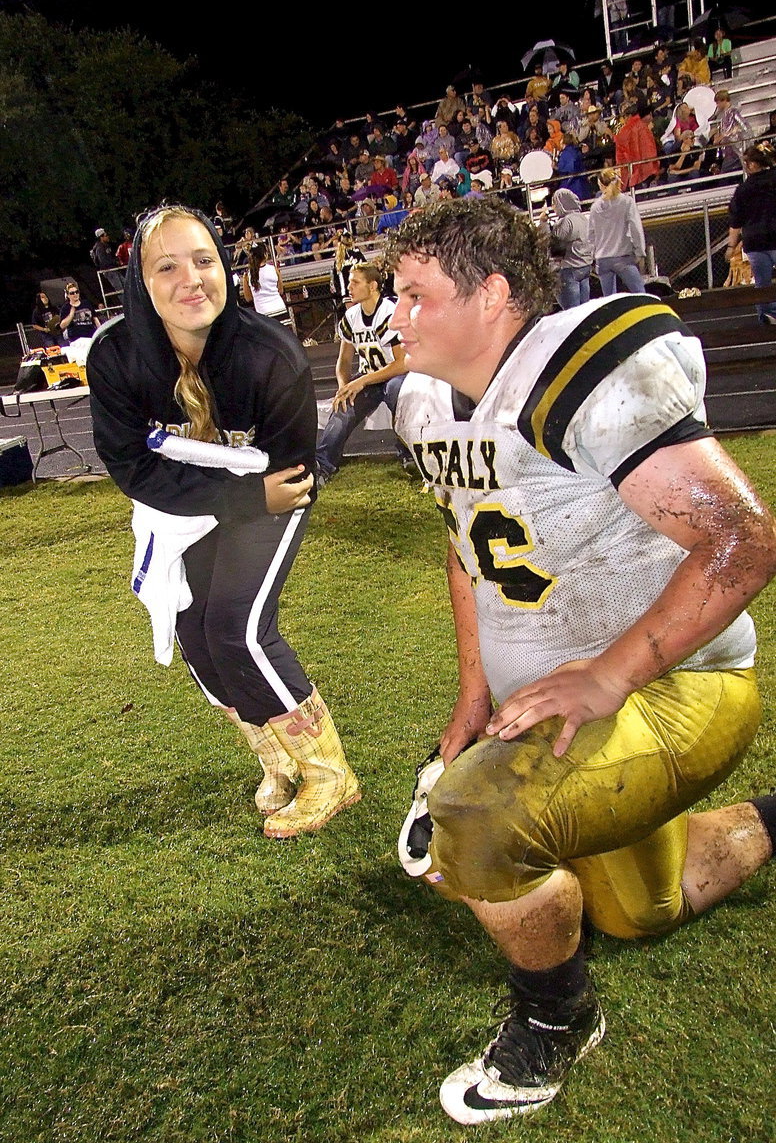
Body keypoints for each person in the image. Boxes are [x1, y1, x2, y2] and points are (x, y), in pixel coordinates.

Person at [385, 197, 776, 1124]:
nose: (394, 317)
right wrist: (475, 690)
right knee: (639, 912)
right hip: (560, 707)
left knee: (474, 819)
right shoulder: (424, 405)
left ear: (490, 295)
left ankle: (556, 1023)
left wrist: (610, 674)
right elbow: (469, 544)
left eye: (415, 295)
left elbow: (742, 538)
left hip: (679, 686)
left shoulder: (577, 370)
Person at [86, 205, 359, 839]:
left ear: (226, 267)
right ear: (139, 280)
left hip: (271, 497)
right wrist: (229, 498)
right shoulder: (116, 355)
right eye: (167, 266)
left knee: (238, 627)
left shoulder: (270, 354)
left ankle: (329, 772)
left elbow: (286, 483)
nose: (192, 279)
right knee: (196, 632)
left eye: (205, 260)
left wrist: (243, 500)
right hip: (203, 500)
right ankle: (277, 757)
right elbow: (130, 466)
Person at [315, 262, 407, 484]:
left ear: (373, 286)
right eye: (349, 282)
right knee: (343, 406)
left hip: (396, 375)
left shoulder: (389, 312)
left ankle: (409, 452)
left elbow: (402, 363)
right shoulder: (352, 316)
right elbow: (344, 361)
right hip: (371, 377)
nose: (349, 287)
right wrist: (343, 386)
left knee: (396, 391)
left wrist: (362, 381)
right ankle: (323, 465)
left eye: (355, 282)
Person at [726, 142, 776, 324]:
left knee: (762, 285)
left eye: (747, 163)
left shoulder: (743, 189)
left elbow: (735, 221)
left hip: (755, 242)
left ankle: (767, 317)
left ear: (754, 164)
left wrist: (731, 247)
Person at [588, 168, 647, 295]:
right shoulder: (626, 202)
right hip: (623, 257)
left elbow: (590, 236)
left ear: (602, 186)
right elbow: (636, 228)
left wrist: (592, 256)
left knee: (610, 301)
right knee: (640, 294)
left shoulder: (595, 207)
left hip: (602, 259)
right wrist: (639, 251)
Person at [540, 188, 593, 308]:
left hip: (569, 269)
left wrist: (543, 223)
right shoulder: (583, 218)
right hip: (584, 267)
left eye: (554, 204)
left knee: (571, 311)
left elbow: (551, 242)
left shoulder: (566, 222)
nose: (553, 207)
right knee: (584, 310)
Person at [241, 241, 292, 328]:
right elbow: (281, 290)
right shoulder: (274, 269)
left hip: (263, 315)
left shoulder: (247, 275)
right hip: (280, 310)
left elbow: (248, 298)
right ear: (265, 254)